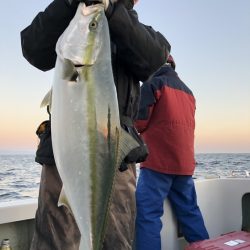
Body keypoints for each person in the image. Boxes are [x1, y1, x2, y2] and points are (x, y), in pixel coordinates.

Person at [20, 0, 171, 249]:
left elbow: (153, 58)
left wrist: (111, 11)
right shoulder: (71, 20)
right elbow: (32, 48)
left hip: (115, 161)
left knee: (116, 241)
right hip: (62, 158)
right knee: (56, 240)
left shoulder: (139, 33)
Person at [134, 55, 209, 250]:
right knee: (190, 211)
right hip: (184, 165)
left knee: (147, 215)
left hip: (158, 163)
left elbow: (138, 122)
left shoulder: (153, 84)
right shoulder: (189, 92)